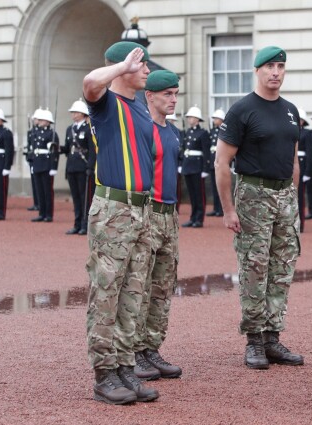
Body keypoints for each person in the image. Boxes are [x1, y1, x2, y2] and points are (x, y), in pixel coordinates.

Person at [215, 45, 304, 370]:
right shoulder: (242, 110)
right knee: (255, 268)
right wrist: (228, 209)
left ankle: (272, 337)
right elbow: (222, 163)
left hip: (284, 198)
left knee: (282, 268)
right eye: (270, 67)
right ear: (257, 70)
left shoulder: (291, 110)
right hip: (254, 194)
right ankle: (254, 340)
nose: (276, 72)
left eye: (281, 66)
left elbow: (293, 159)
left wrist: (294, 200)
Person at [83, 41, 158, 405]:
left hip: (141, 210)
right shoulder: (107, 103)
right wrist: (120, 67)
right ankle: (103, 373)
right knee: (107, 292)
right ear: (121, 67)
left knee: (134, 294)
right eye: (140, 64)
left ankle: (126, 366)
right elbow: (90, 83)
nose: (147, 71)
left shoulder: (140, 106)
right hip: (113, 210)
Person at [132, 69, 183, 381]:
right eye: (167, 94)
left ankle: (151, 347)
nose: (173, 99)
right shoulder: (143, 129)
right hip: (148, 210)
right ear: (149, 96)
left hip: (170, 213)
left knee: (163, 286)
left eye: (176, 93)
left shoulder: (174, 131)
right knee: (140, 283)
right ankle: (134, 350)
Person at [62, 99, 94, 235]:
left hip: (83, 166)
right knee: (75, 197)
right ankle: (76, 223)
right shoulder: (70, 129)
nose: (74, 115)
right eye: (73, 112)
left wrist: (91, 167)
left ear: (83, 114)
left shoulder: (88, 129)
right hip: (72, 166)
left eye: (76, 112)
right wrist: (57, 148)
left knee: (84, 197)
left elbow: (93, 150)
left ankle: (85, 225)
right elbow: (68, 149)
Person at [180, 105, 210, 227]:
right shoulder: (187, 133)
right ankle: (193, 217)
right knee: (192, 194)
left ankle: (199, 218)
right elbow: (183, 149)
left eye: (191, 117)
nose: (189, 119)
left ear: (197, 119)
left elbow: (206, 152)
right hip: (188, 166)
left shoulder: (203, 133)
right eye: (188, 117)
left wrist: (205, 168)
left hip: (197, 167)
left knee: (199, 195)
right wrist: (181, 164)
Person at [30, 108, 59, 223]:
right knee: (39, 190)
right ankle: (41, 213)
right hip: (37, 163)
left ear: (48, 121)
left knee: (47, 190)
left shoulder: (52, 134)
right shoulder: (35, 133)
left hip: (47, 164)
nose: (40, 121)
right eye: (40, 119)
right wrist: (32, 163)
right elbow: (34, 150)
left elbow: (54, 152)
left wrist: (53, 167)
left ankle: (48, 214)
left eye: (42, 120)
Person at [205, 109, 225, 217]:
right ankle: (215, 208)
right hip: (213, 161)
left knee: (220, 187)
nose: (214, 120)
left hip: (220, 161)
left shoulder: (224, 131)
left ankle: (221, 209)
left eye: (216, 118)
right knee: (214, 186)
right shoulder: (212, 131)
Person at [297, 107, 312, 233]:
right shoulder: (290, 131)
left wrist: (307, 172)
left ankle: (300, 224)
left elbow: (310, 154)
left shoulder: (307, 133)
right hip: (290, 166)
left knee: (299, 197)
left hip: (302, 167)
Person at [25, 109, 41, 212]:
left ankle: (40, 203)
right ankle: (36, 202)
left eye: (36, 119)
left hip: (40, 159)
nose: (34, 121)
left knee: (39, 183)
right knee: (34, 182)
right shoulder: (31, 132)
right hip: (32, 158)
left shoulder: (39, 132)